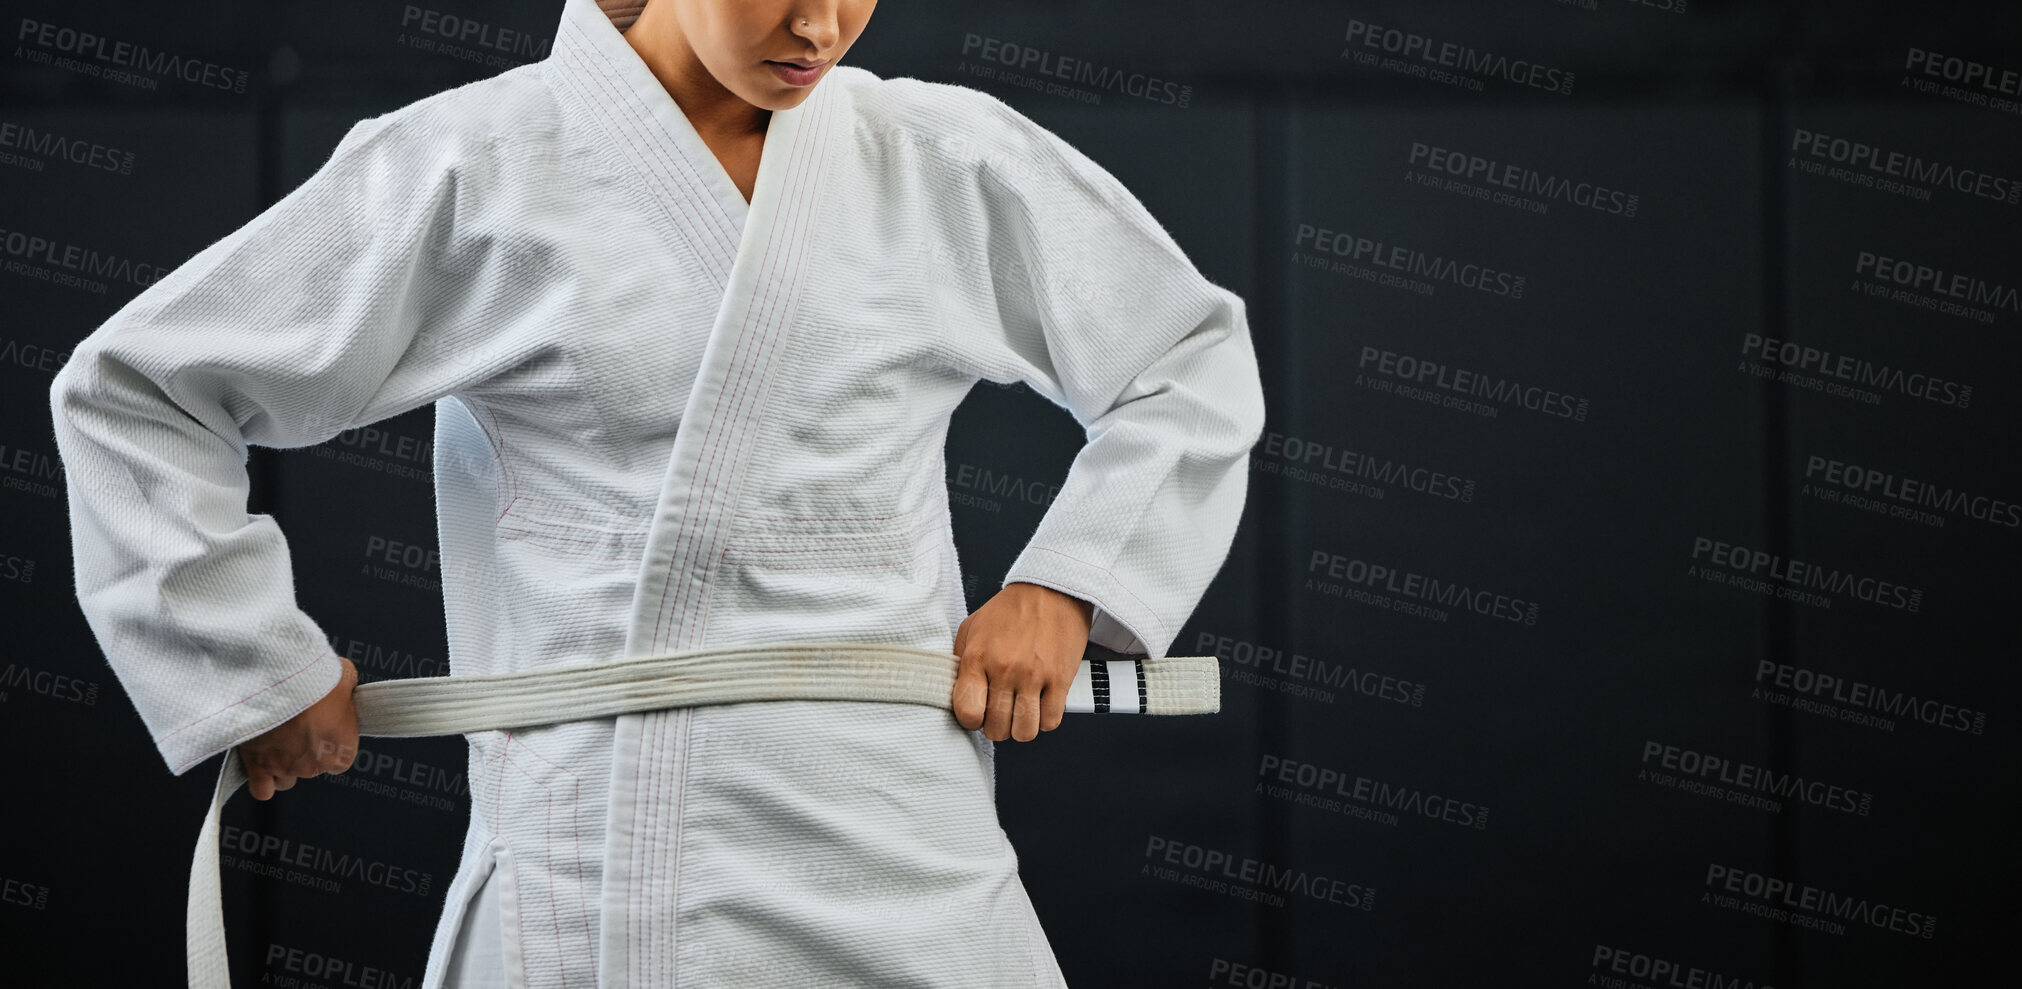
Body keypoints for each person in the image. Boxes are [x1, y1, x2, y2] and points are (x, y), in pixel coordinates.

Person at [47, 0, 1265, 986]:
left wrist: (1068, 584)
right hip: (598, 866)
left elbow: (1187, 357)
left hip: (902, 840)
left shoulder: (943, 160)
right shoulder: (475, 168)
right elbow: (139, 389)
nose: (821, 23)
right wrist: (245, 661)